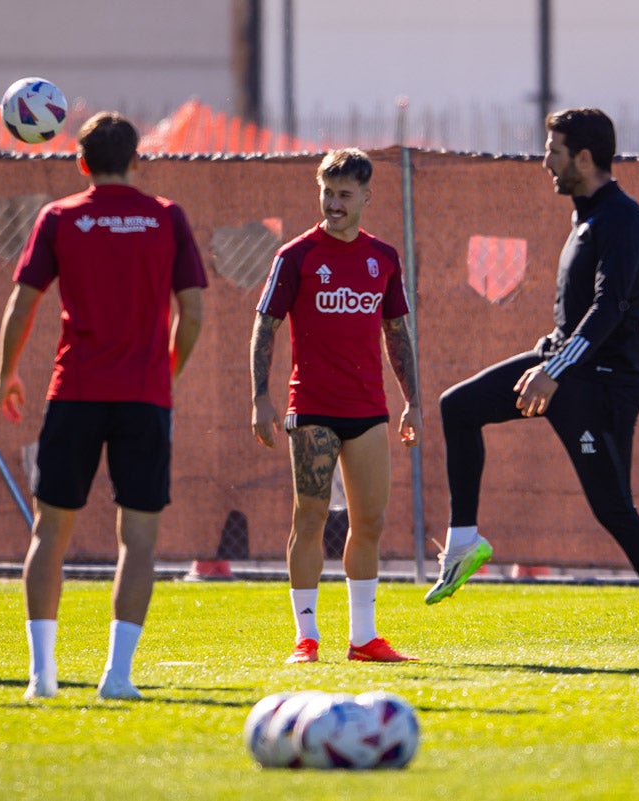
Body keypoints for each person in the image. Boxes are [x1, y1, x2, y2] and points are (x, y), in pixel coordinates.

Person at [429, 108, 639, 670]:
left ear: (583, 157)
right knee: (457, 406)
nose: (544, 160)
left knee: (614, 510)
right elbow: (583, 312)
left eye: (553, 150)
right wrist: (551, 349)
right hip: (567, 367)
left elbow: (611, 310)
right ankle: (463, 542)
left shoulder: (621, 219)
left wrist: (554, 368)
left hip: (601, 384)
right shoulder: (586, 218)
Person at [0, 111, 206, 700]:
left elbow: (23, 303)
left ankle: (43, 677)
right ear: (137, 160)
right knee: (138, 541)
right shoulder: (166, 217)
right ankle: (117, 677)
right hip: (143, 399)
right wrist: (165, 372)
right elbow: (194, 314)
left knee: (49, 534)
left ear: (81, 162)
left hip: (76, 394)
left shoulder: (59, 217)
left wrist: (6, 372)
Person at [251, 148, 421, 664]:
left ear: (367, 196)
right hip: (312, 409)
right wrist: (260, 397)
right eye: (327, 192)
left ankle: (363, 638)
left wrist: (412, 400)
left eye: (345, 194)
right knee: (310, 519)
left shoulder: (384, 258)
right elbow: (265, 327)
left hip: (369, 408)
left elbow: (398, 332)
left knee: (369, 522)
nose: (334, 203)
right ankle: (306, 639)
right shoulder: (297, 256)